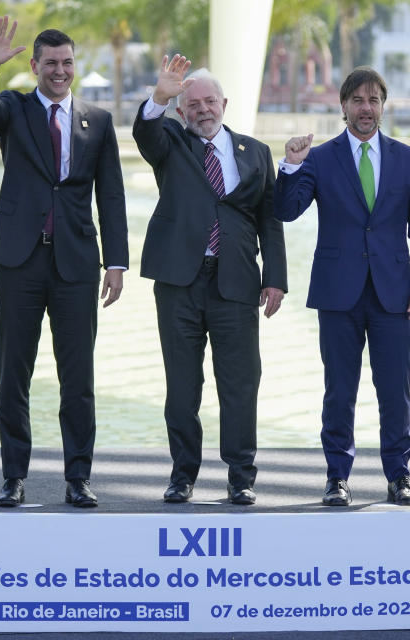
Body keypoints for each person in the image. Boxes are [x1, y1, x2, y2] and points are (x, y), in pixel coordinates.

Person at [0, 17, 128, 508]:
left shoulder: (97, 121)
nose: (59, 71)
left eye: (67, 63)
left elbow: (113, 196)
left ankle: (78, 476)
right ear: (34, 66)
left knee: (77, 377)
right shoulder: (13, 110)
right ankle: (14, 475)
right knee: (13, 372)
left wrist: (116, 262)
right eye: (50, 63)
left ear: (75, 66)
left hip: (77, 264)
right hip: (18, 262)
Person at [274, 67, 410, 507]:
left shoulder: (408, 158)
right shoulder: (319, 158)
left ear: (383, 106)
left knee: (395, 390)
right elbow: (287, 211)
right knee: (339, 390)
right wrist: (290, 164)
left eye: (374, 101)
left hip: (394, 294)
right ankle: (337, 477)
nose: (366, 109)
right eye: (358, 101)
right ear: (343, 106)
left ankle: (399, 475)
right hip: (338, 293)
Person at [133, 55, 287, 505]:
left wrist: (274, 278)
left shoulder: (255, 152)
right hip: (179, 281)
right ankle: (183, 474)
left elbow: (270, 220)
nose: (202, 109)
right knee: (182, 384)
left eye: (209, 101)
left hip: (236, 282)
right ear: (181, 111)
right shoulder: (171, 144)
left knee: (241, 382)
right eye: (192, 103)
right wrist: (160, 95)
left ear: (224, 103)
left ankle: (241, 475)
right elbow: (145, 132)